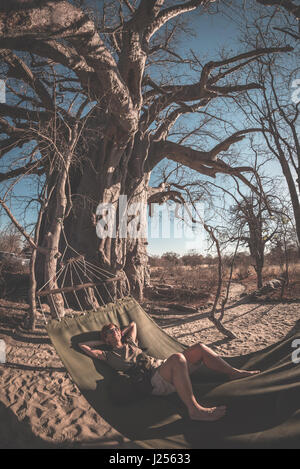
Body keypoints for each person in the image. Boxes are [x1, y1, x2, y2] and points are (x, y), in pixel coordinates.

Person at [79, 321, 260, 422]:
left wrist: (120, 333)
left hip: (163, 366)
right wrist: (104, 341)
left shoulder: (130, 342)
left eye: (116, 329)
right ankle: (194, 409)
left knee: (200, 348)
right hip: (152, 380)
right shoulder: (107, 355)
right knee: (178, 358)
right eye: (110, 332)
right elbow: (83, 346)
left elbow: (134, 324)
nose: (115, 332)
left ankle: (233, 372)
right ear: (106, 338)